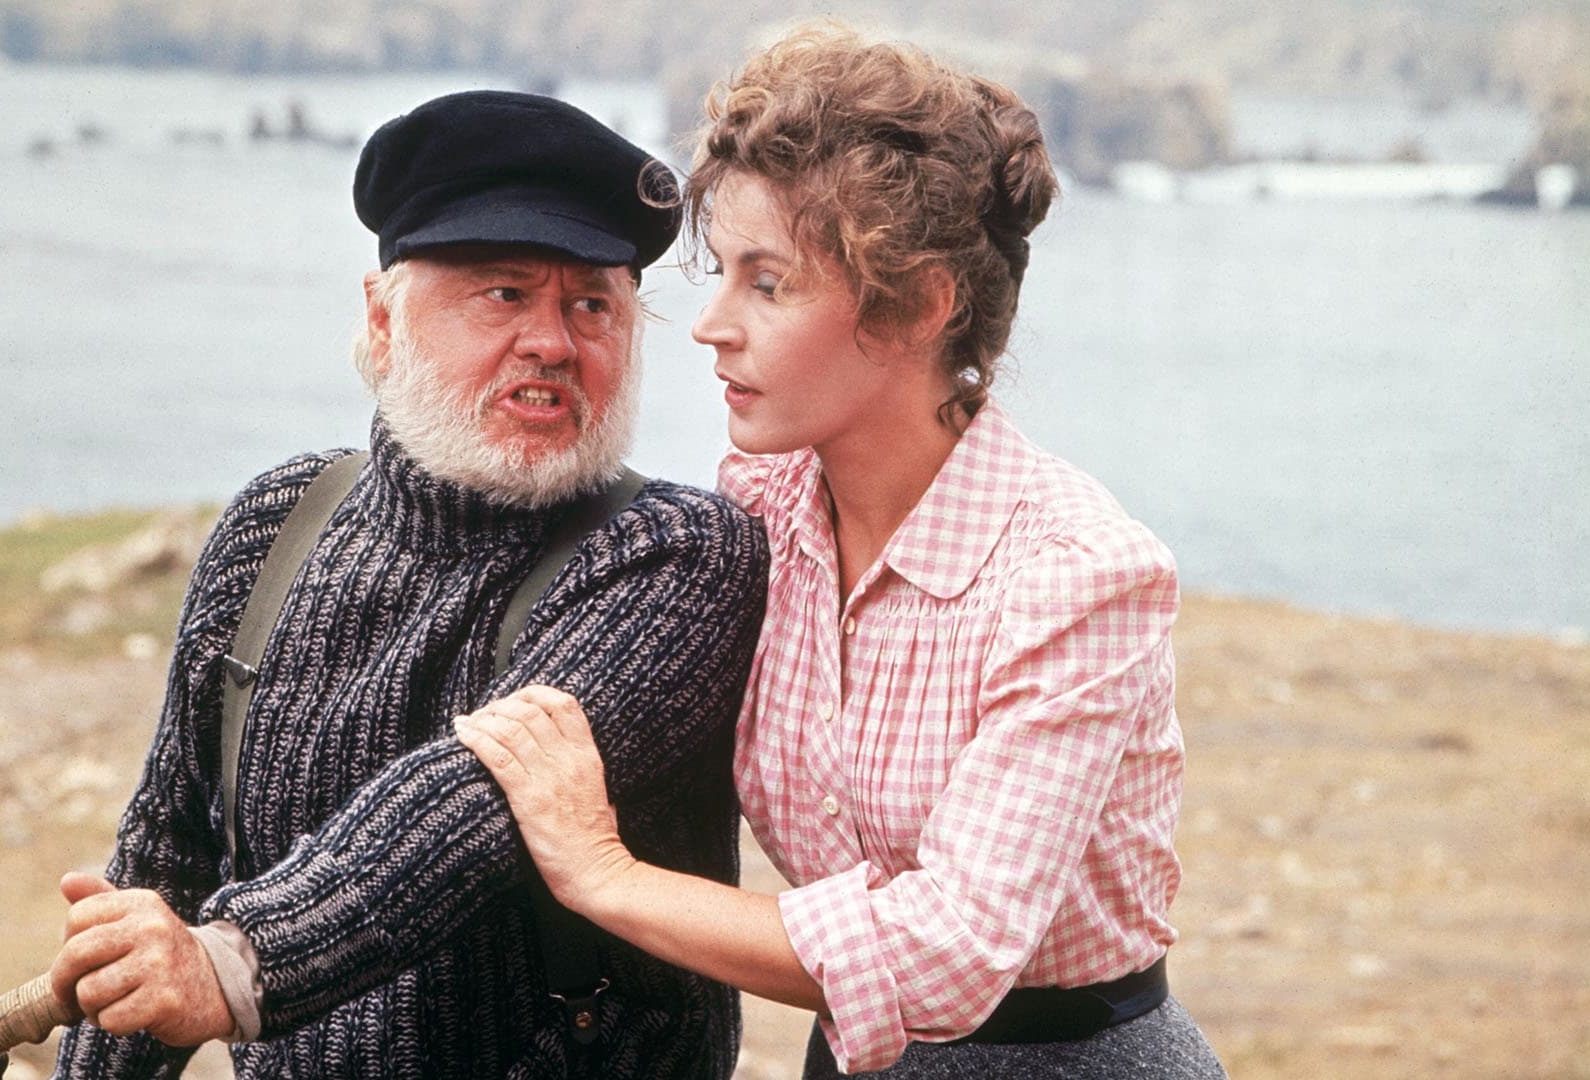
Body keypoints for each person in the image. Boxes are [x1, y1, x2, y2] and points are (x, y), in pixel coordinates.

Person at [456, 26, 1229, 1078]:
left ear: (919, 306)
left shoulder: (1078, 575)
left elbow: (949, 952)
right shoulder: (761, 510)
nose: (711, 325)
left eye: (768, 284)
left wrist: (604, 876)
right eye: (722, 273)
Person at [48, 90, 768, 1078]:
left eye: (592, 305)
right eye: (504, 294)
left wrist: (237, 965)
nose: (554, 342)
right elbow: (164, 861)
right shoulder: (277, 524)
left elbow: (470, 805)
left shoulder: (679, 553)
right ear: (383, 321)